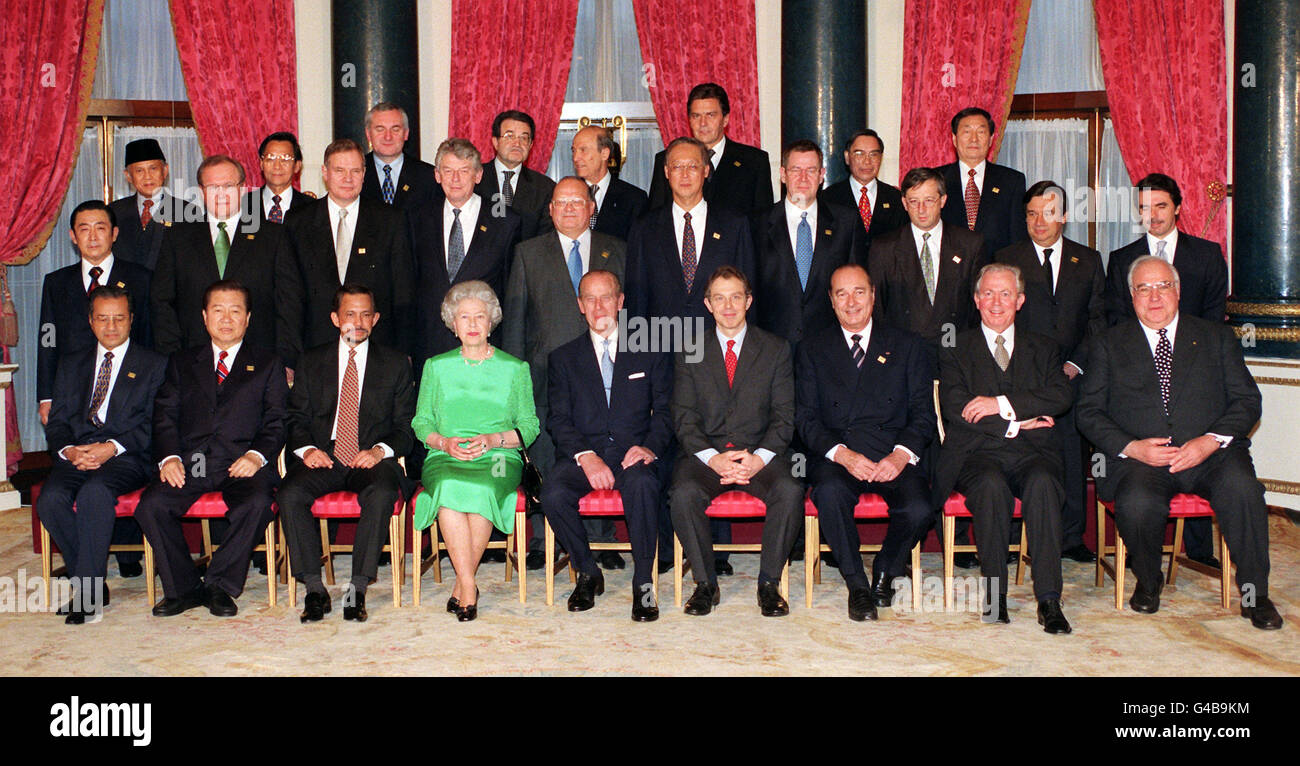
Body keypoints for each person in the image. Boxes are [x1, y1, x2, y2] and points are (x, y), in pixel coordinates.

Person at [1077, 256, 1281, 630]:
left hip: (1211, 454)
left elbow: (1247, 401)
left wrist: (1209, 441)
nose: (1154, 297)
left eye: (1163, 286)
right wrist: (1133, 447)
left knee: (1244, 492)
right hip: (1141, 459)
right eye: (1143, 288)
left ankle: (1256, 595)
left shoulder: (1215, 336)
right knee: (1137, 502)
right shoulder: (1108, 344)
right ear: (1131, 294)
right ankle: (1148, 580)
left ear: (1178, 291)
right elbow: (1088, 412)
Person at [626, 136, 758, 575]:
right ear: (666, 174)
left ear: (706, 172)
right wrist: (640, 354)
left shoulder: (735, 223)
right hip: (661, 349)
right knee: (665, 440)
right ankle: (667, 546)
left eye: (693, 166)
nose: (684, 174)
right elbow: (639, 298)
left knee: (717, 434)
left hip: (718, 349)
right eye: (676, 167)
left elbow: (743, 287)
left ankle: (713, 549)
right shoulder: (644, 227)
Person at [134, 281, 288, 618]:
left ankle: (219, 584)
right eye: (218, 310)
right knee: (152, 505)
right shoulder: (181, 362)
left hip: (242, 463)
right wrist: (170, 458)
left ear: (248, 318)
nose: (227, 318)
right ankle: (183, 588)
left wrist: (256, 455)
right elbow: (164, 415)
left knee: (258, 503)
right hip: (194, 463)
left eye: (236, 310)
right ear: (205, 317)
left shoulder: (267, 363)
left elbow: (277, 419)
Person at [935, 264, 1073, 632]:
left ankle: (1049, 600)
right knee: (991, 487)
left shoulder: (1043, 347)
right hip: (975, 453)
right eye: (989, 294)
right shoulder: (954, 345)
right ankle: (995, 595)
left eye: (1006, 294)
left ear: (1021, 300)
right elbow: (955, 406)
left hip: (1033, 452)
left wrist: (1000, 404)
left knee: (1044, 483)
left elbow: (1060, 395)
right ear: (977, 300)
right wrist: (1017, 420)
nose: (997, 303)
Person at [1104, 173, 1229, 566]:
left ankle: (1198, 548)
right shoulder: (1121, 259)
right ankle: (1144, 556)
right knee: (1149, 469)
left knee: (1196, 452)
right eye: (1144, 207)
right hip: (1143, 382)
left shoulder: (1207, 255)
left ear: (1177, 207)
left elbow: (1214, 320)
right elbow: (1116, 324)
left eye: (1160, 206)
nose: (1152, 215)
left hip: (1196, 377)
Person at [797, 264, 935, 621]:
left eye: (859, 291)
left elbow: (923, 415)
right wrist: (842, 455)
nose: (851, 301)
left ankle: (886, 570)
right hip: (839, 453)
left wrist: (900, 457)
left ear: (873, 295)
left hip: (892, 452)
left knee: (920, 508)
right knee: (828, 494)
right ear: (830, 301)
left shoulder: (908, 345)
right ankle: (857, 584)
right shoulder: (812, 349)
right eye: (841, 293)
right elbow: (805, 418)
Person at [503, 177, 626, 569]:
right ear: (550, 210)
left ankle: (599, 534)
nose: (570, 208)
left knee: (602, 444)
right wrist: (516, 382)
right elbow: (516, 323)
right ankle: (542, 539)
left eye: (578, 201)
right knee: (545, 452)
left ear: (592, 208)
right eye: (561, 202)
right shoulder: (527, 253)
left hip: (606, 367)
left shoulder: (617, 250)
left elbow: (631, 311)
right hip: (543, 373)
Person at [669, 266, 802, 617]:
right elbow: (683, 416)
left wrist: (758, 458)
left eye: (736, 297)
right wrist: (713, 459)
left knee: (789, 490)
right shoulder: (690, 349)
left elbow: (784, 416)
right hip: (707, 456)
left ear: (749, 300)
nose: (728, 305)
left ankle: (769, 584)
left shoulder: (775, 349)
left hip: (758, 454)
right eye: (719, 298)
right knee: (682, 493)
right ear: (708, 304)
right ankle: (705, 584)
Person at [280, 285, 415, 623]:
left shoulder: (396, 363)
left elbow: (405, 427)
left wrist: (378, 451)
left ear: (376, 318)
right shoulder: (311, 361)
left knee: (383, 491)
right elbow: (294, 418)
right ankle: (313, 587)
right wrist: (308, 450)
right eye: (350, 314)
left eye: (366, 314)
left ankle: (357, 588)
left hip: (368, 458)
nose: (358, 321)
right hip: (323, 456)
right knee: (290, 492)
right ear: (335, 318)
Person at [543, 270, 672, 620]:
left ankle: (643, 582)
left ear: (620, 301)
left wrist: (648, 447)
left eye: (606, 297)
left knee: (645, 484)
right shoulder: (563, 359)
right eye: (590, 299)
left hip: (633, 454)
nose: (598, 306)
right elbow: (558, 419)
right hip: (586, 454)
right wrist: (587, 457)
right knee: (552, 493)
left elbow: (665, 412)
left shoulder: (650, 350)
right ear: (579, 305)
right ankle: (587, 571)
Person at [411, 281, 540, 621]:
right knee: (449, 489)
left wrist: (494, 439)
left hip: (499, 456)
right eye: (463, 317)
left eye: (479, 317)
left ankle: (463, 585)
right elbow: (421, 422)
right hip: (445, 455)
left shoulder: (515, 369)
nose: (471, 324)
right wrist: (444, 443)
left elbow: (529, 427)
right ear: (452, 324)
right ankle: (468, 584)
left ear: (491, 321)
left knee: (484, 488)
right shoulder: (436, 367)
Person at [37, 285, 167, 623]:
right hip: (78, 453)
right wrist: (69, 451)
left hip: (128, 455)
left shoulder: (154, 364)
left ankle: (88, 595)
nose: (111, 327)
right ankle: (91, 580)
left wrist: (111, 448)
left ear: (132, 320)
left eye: (119, 319)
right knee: (50, 499)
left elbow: (156, 425)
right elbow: (58, 421)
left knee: (95, 493)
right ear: (91, 322)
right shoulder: (71, 363)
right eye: (103, 319)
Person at [995, 181, 1105, 563]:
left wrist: (1075, 364)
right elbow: (999, 318)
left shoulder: (1088, 260)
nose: (1039, 221)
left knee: (1071, 454)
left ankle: (1071, 536)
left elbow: (1097, 322)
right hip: (1021, 377)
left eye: (1048, 212)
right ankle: (1010, 536)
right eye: (1031, 213)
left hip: (1073, 376)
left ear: (1064, 216)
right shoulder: (1007, 258)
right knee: (1016, 451)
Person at [277, 138, 415, 373]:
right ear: (325, 173)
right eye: (339, 170)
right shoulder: (298, 221)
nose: (348, 178)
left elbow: (403, 292)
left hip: (377, 351)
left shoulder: (390, 220)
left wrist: (404, 353)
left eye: (355, 170)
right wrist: (291, 356)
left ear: (364, 173)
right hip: (315, 350)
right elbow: (288, 295)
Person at [151, 155, 284, 355]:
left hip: (259, 358)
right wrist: (173, 355)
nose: (221, 194)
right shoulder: (178, 237)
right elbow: (161, 301)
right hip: (192, 358)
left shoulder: (273, 236)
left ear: (242, 188)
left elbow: (287, 302)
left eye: (228, 185)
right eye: (213, 187)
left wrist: (285, 358)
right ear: (201, 192)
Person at [410, 138, 522, 359]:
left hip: (485, 345)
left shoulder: (505, 221)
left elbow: (511, 290)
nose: (455, 179)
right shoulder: (417, 217)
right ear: (437, 175)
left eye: (464, 171)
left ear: (478, 175)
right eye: (448, 170)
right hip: (429, 344)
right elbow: (410, 283)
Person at [868, 166, 988, 361]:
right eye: (914, 202)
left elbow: (977, 305)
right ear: (904, 204)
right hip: (902, 355)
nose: (921, 209)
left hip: (956, 354)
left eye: (929, 200)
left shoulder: (969, 244)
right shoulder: (884, 248)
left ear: (943, 200)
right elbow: (877, 308)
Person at [752, 139, 862, 348]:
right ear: (783, 174)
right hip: (771, 347)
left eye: (811, 170)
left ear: (822, 175)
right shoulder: (756, 224)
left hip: (829, 346)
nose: (803, 178)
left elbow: (855, 286)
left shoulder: (846, 222)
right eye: (796, 170)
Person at [647, 82, 773, 218]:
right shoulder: (667, 159)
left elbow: (763, 222)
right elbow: (656, 218)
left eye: (710, 115)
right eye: (696, 116)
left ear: (725, 119)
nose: (703, 123)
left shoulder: (754, 161)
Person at [938, 107, 1027, 258]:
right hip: (947, 274)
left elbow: (1017, 238)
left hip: (994, 274)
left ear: (991, 139)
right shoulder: (936, 178)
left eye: (981, 132)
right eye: (967, 132)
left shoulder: (1011, 181)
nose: (974, 139)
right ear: (954, 138)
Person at [108, 138, 200, 271]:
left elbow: (192, 263)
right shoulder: (114, 211)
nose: (148, 177)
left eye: (153, 168)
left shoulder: (187, 211)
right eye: (139, 171)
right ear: (128, 176)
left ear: (165, 171)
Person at [820, 129, 908, 259]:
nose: (867, 161)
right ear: (847, 157)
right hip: (845, 276)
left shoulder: (895, 198)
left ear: (881, 158)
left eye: (873, 154)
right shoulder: (828, 198)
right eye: (859, 154)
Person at [475, 109, 556, 240]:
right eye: (509, 136)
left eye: (524, 138)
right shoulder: (474, 179)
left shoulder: (545, 188)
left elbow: (544, 240)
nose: (517, 144)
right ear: (495, 142)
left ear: (531, 145)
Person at [571, 125, 647, 241]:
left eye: (583, 150)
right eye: (574, 150)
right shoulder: (566, 195)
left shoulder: (634, 199)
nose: (576, 158)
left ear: (604, 154)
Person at [360, 102, 438, 212]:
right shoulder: (354, 173)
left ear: (406, 133)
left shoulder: (428, 176)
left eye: (395, 129)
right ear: (368, 134)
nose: (388, 137)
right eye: (380, 129)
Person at [248, 131, 312, 227]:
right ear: (261, 163)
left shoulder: (311, 207)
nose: (277, 166)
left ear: (297, 166)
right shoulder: (245, 204)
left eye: (285, 159)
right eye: (271, 158)